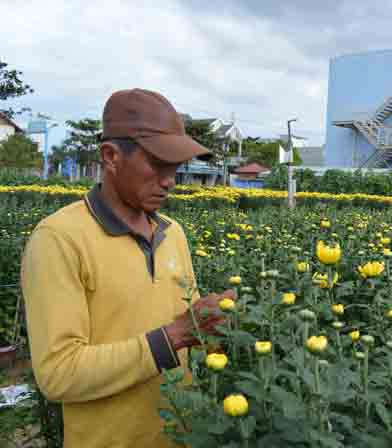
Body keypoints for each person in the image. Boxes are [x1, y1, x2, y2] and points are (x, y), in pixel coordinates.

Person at [20, 88, 234, 447]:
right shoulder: (59, 239)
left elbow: (190, 333)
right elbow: (58, 373)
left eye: (175, 167)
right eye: (157, 164)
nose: (170, 180)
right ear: (111, 156)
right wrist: (174, 336)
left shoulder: (173, 233)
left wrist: (216, 329)